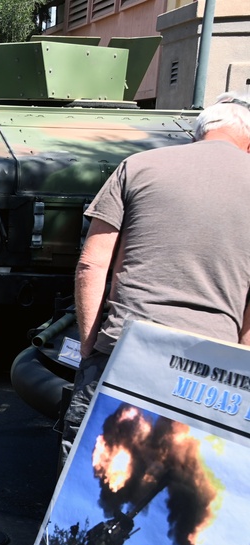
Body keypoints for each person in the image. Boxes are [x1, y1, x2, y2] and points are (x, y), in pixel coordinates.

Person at [60, 92, 250, 467]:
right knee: (182, 484)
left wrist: (89, 348)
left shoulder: (138, 166)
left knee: (88, 474)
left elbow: (91, 265)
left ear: (198, 134)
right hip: (211, 367)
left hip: (127, 348)